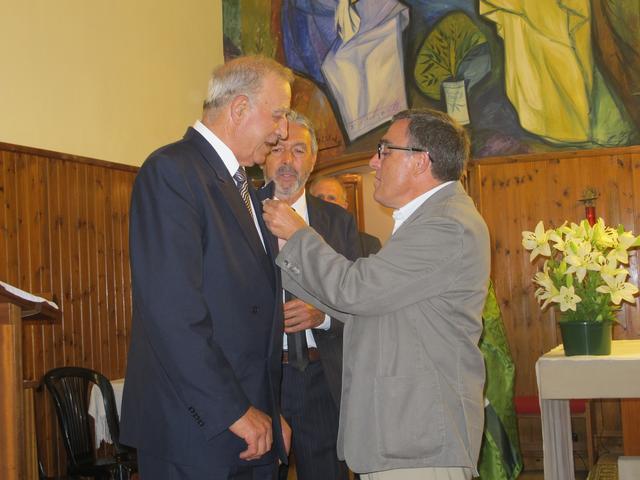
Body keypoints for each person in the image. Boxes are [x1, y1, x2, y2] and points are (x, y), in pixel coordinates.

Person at [263, 108, 490, 480]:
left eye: (384, 150)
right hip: (405, 430)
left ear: (420, 161)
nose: (373, 162)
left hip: (419, 434)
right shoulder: (430, 219)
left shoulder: (445, 224)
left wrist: (298, 235)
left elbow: (357, 290)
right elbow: (372, 306)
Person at [120, 55, 294, 480]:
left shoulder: (244, 187)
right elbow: (173, 314)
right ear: (239, 108)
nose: (283, 131)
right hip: (197, 430)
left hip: (252, 425)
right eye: (277, 115)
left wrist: (269, 410)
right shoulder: (172, 172)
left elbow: (250, 319)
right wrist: (233, 410)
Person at [258, 111, 360, 480]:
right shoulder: (240, 214)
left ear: (313, 160)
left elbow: (360, 303)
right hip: (260, 379)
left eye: (298, 150)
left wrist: (325, 316)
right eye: (277, 149)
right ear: (263, 155)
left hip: (322, 376)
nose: (287, 160)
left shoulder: (338, 222)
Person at [309, 176, 382, 256]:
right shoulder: (302, 240)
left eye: (331, 198)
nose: (325, 202)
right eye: (319, 198)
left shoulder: (369, 245)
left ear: (344, 206)